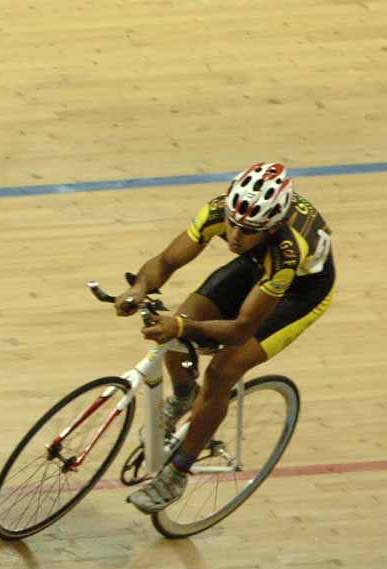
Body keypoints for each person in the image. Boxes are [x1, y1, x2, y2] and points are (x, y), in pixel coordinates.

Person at [115, 161, 334, 512]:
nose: (234, 236)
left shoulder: (285, 253)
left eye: (247, 230)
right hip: (255, 264)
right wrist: (140, 287)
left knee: (222, 371)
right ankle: (186, 397)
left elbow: (242, 328)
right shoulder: (221, 211)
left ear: (271, 227)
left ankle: (176, 474)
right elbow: (168, 261)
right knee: (175, 329)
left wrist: (183, 327)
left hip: (299, 292)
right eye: (232, 224)